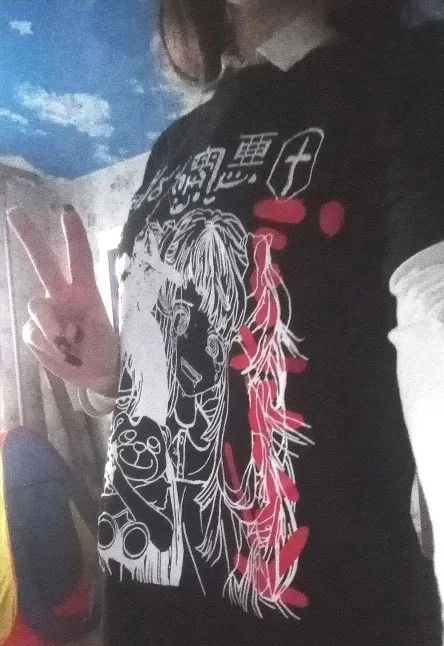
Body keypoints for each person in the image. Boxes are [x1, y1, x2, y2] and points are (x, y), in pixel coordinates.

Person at [8, 0, 444, 644]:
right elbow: (160, 388)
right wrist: (110, 374)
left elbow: (433, 312)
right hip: (139, 611)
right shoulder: (170, 148)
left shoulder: (410, 74)